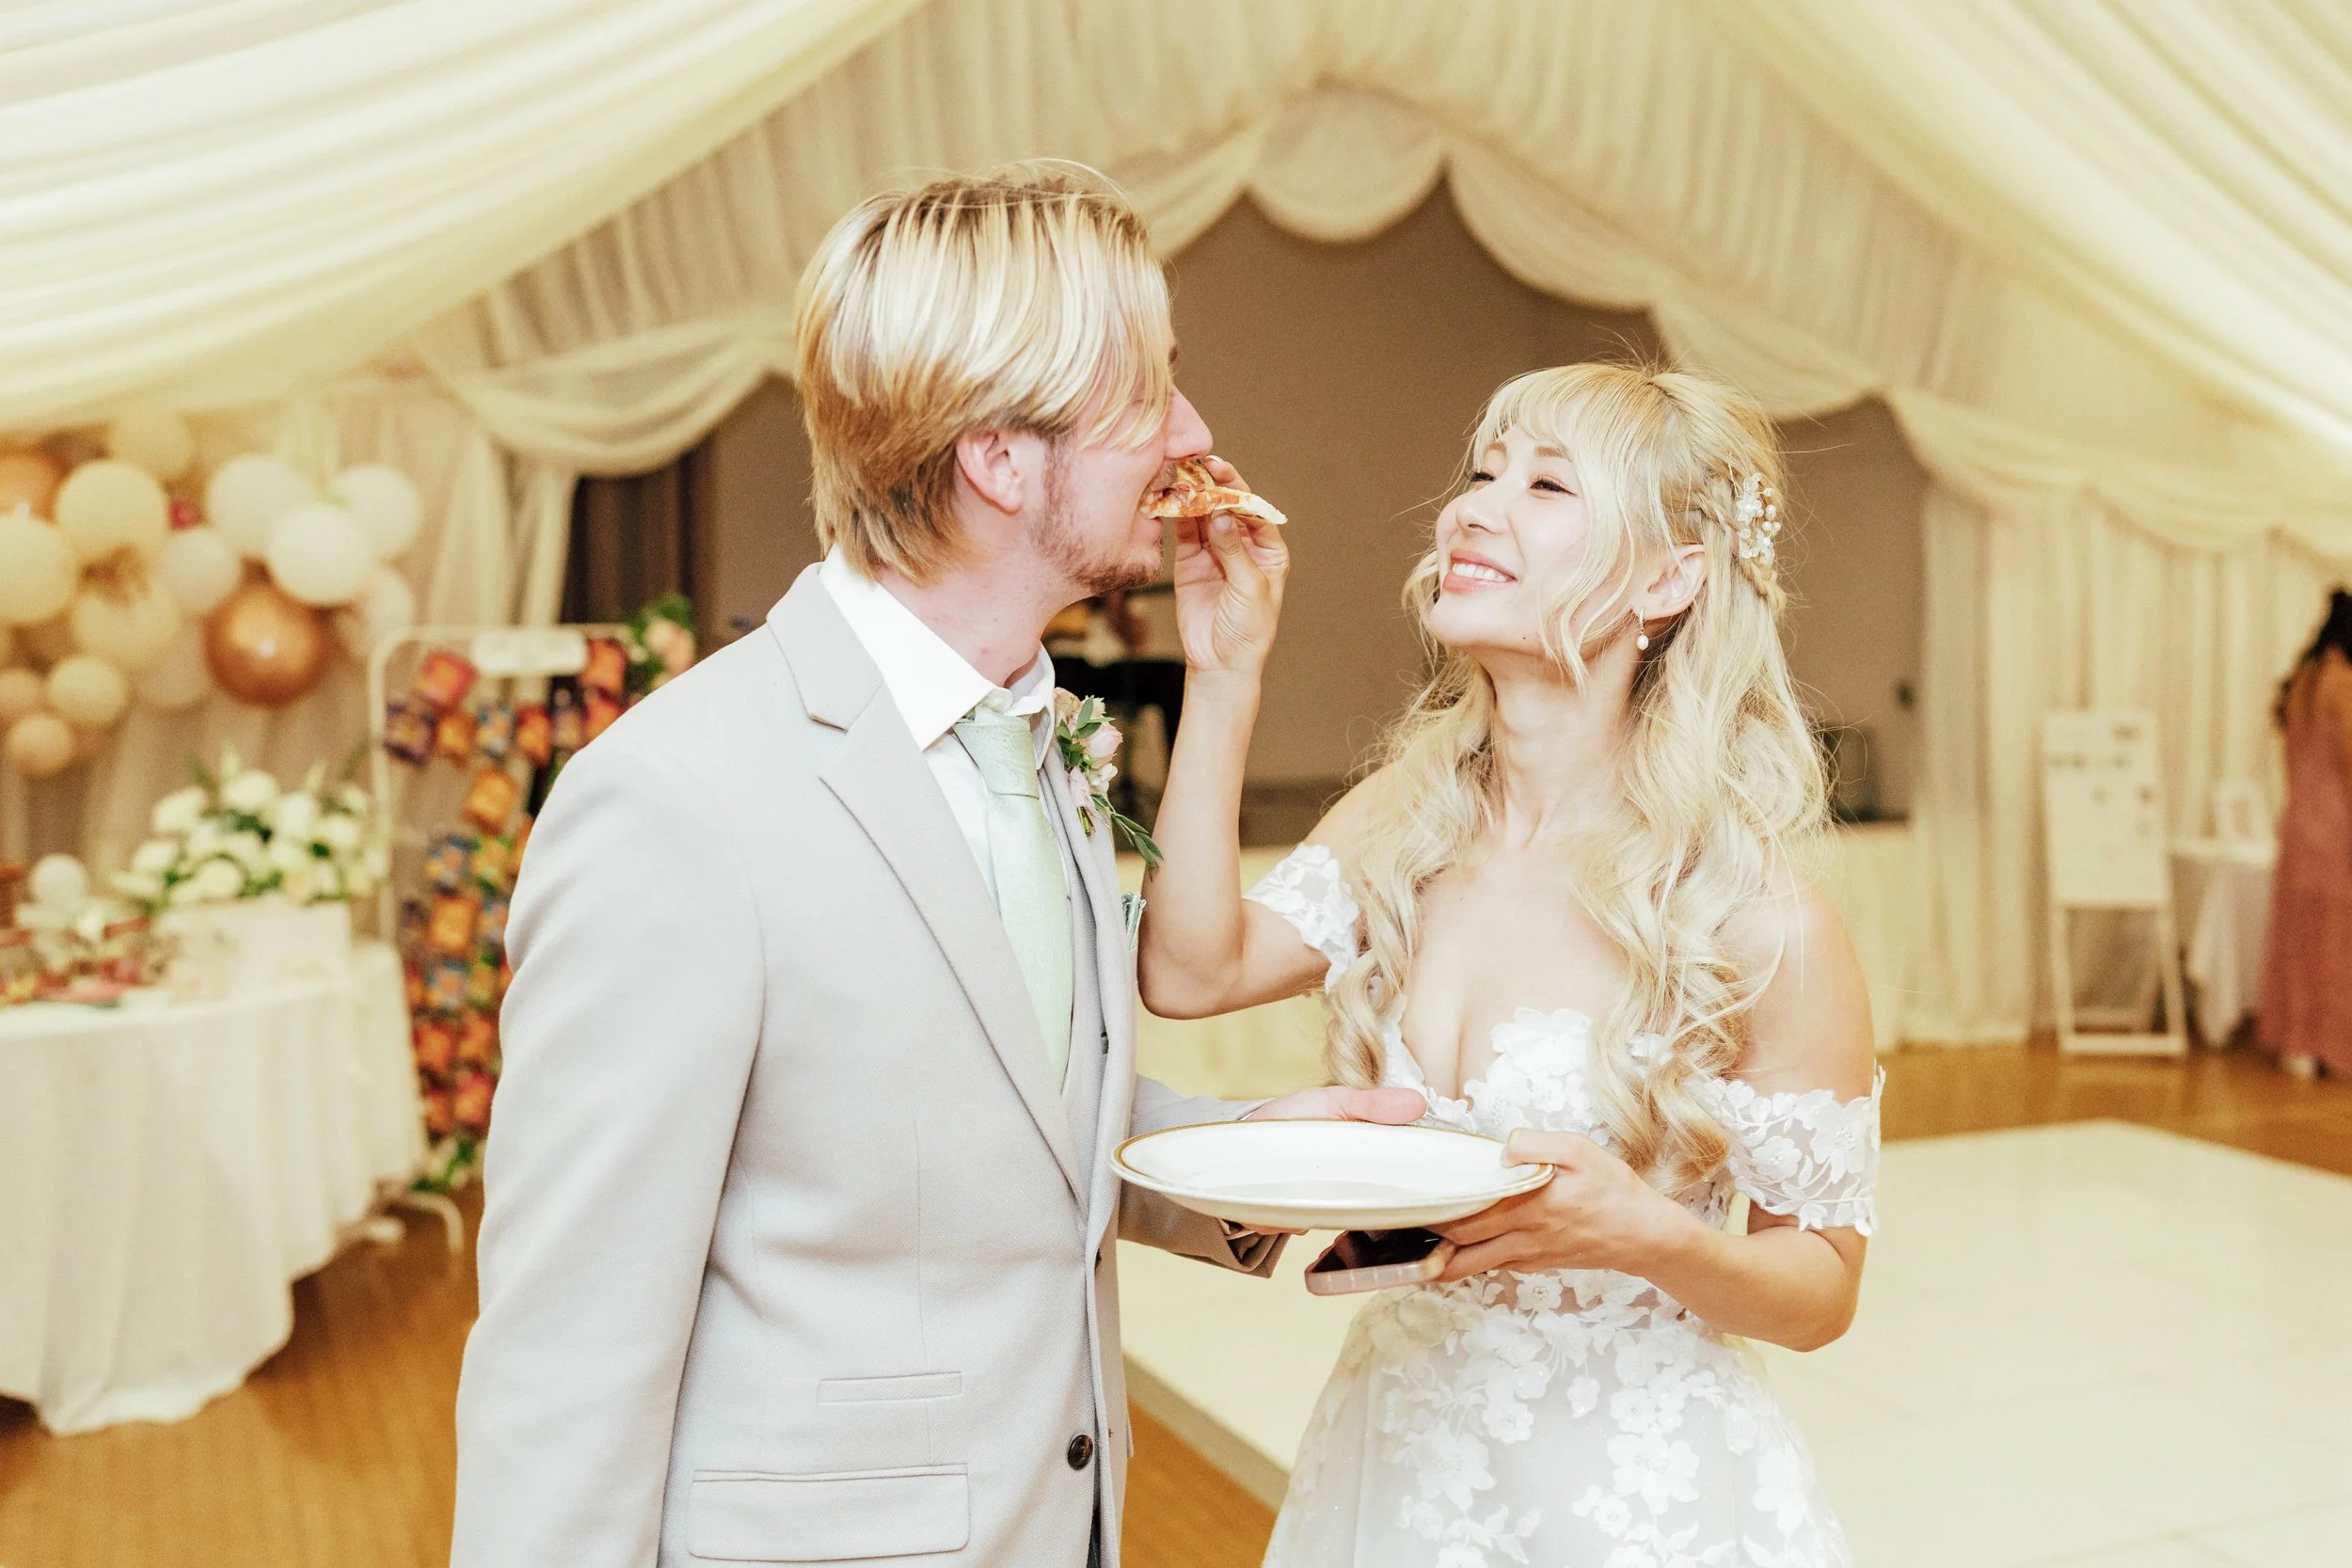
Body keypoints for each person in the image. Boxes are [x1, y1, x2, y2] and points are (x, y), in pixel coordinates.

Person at [447, 164, 1420, 1568]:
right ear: (1000, 459)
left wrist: (1262, 1158)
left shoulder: (1044, 736)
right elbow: (566, 1357)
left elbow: (1005, 1106)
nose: (1195, 430)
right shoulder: (672, 803)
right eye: (1151, 389)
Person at [1140, 363, 1880, 1566]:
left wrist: (1644, 1233)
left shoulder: (1753, 915)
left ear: (1668, 579)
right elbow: (1188, 972)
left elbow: (1820, 1293)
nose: (1472, 508)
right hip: (1396, 1458)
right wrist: (1222, 676)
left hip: (1639, 1499)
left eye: (1545, 484)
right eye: (1482, 473)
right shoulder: (1405, 820)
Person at [2257, 588, 2352, 1078]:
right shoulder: (2343, 682)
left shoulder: (2302, 682)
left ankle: (2297, 1040)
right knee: (2336, 938)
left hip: (2298, 821)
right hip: (2336, 826)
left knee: (2299, 935)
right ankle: (2334, 1046)